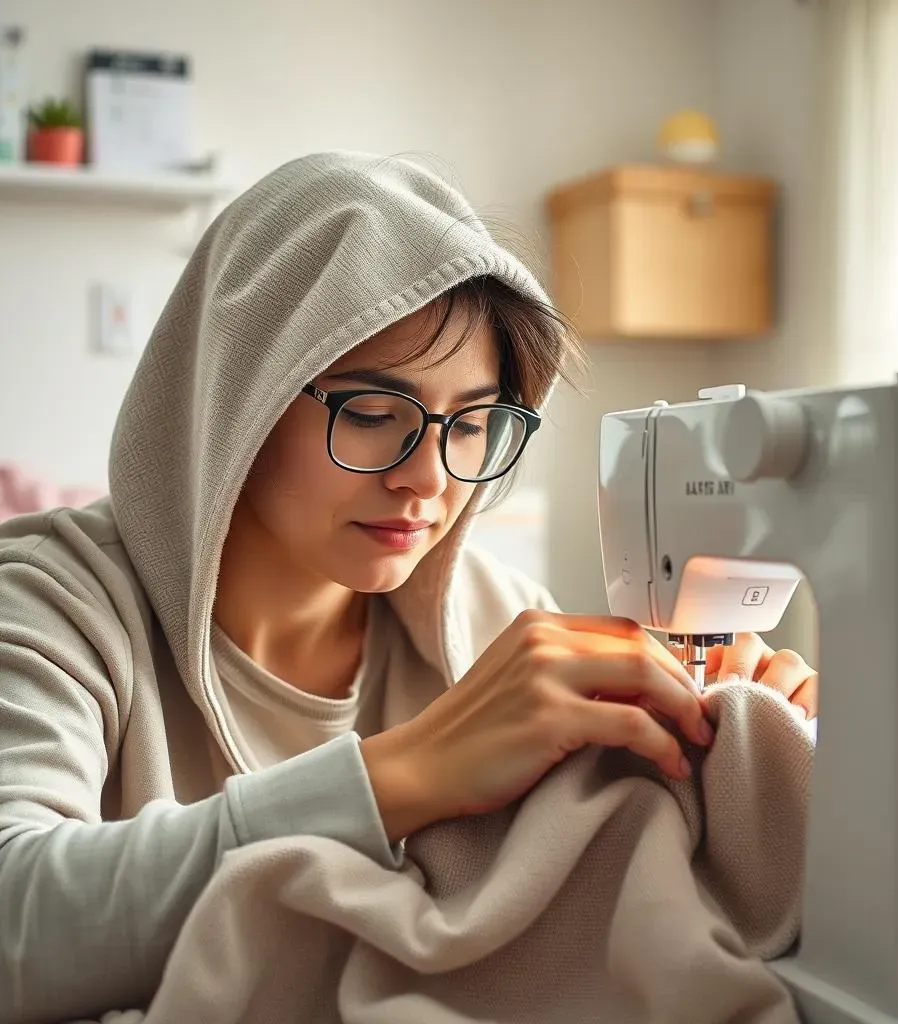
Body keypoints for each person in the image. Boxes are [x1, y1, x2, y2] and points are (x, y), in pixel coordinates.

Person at [0, 151, 818, 1023]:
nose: (429, 477)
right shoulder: (53, 605)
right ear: (236, 399)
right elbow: (16, 923)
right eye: (372, 412)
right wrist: (407, 773)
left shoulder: (503, 622)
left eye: (472, 424)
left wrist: (768, 759)